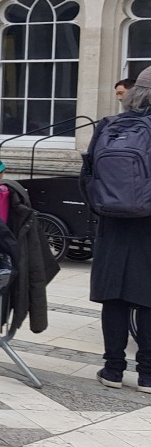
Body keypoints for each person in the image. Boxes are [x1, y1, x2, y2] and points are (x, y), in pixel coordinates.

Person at [91, 67, 151, 393]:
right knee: (147, 300)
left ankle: (113, 370)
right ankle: (148, 375)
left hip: (111, 222)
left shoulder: (109, 126)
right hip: (148, 224)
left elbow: (87, 175)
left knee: (114, 298)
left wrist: (102, 206)